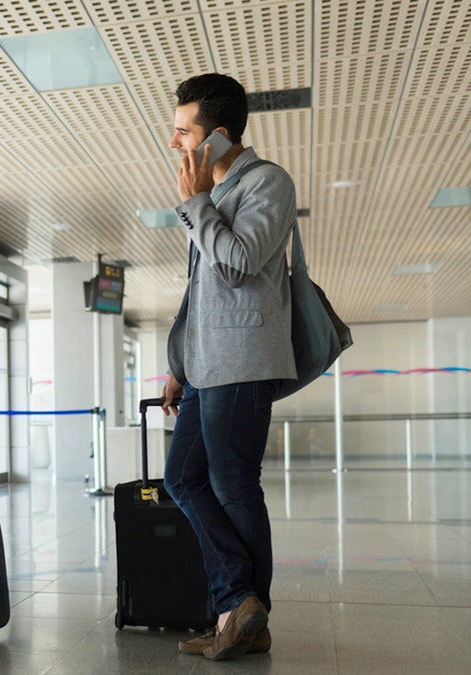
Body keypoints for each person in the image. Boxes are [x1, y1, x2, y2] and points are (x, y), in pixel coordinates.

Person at [160, 73, 297, 660]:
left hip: (241, 362)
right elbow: (204, 292)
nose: (175, 144)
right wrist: (180, 363)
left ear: (216, 137)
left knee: (233, 485)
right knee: (182, 478)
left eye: (182, 132)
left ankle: (243, 616)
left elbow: (238, 264)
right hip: (205, 364)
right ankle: (239, 605)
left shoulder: (267, 182)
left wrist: (196, 204)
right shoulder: (214, 196)